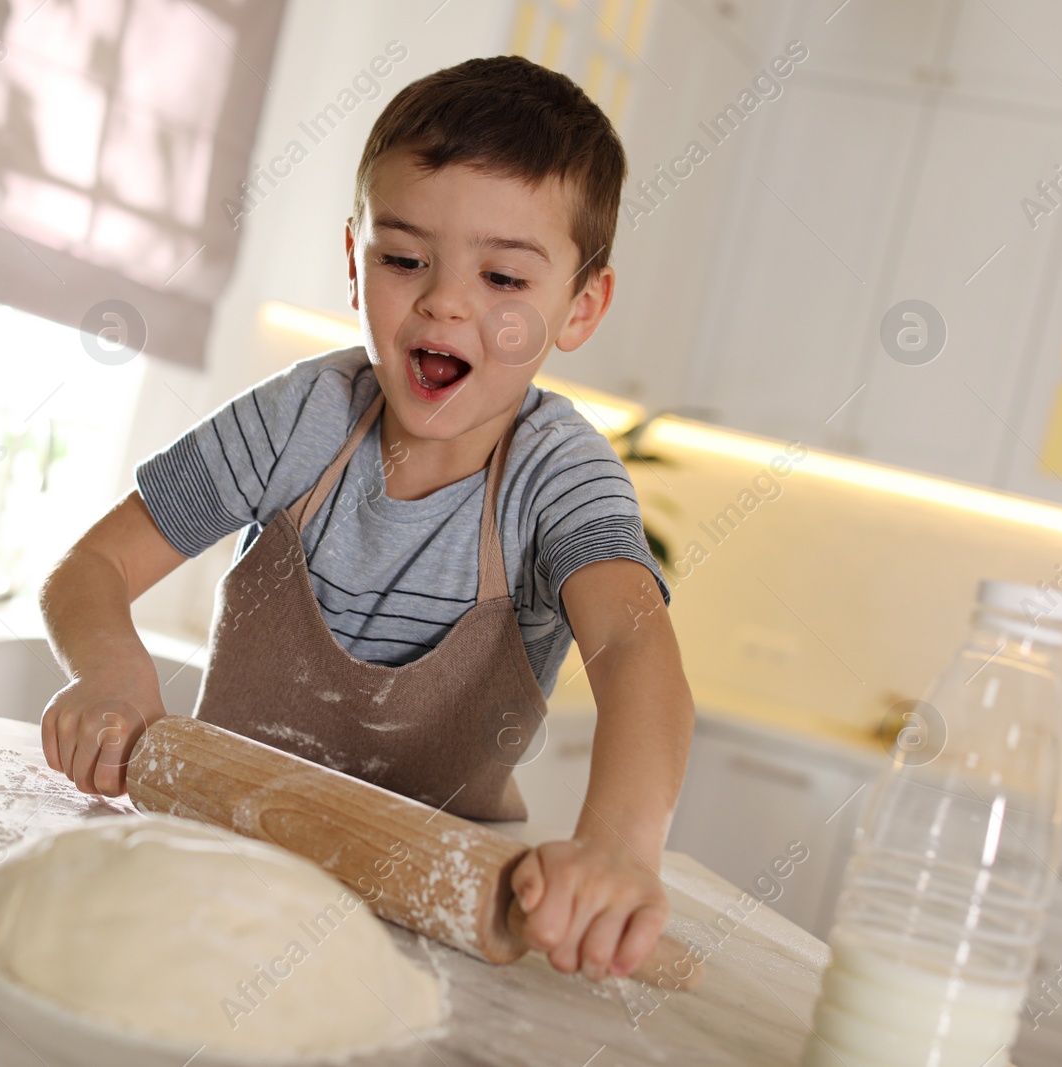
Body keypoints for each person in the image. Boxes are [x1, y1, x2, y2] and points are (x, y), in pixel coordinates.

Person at [39, 55, 695, 984]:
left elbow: (638, 654)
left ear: (579, 307)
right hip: (213, 869)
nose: (445, 301)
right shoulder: (299, 420)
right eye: (403, 258)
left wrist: (621, 846)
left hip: (436, 928)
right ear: (355, 260)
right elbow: (90, 569)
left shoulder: (556, 478)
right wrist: (111, 671)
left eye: (505, 278)